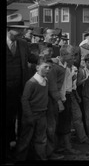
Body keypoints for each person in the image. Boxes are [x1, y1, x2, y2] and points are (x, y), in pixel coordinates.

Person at [6, 13, 36, 162]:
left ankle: (21, 151)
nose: (22, 32)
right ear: (9, 29)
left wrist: (47, 59)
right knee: (7, 121)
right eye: (18, 29)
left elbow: (32, 58)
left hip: (20, 89)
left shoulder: (23, 44)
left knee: (24, 119)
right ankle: (7, 151)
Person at [15, 56, 52, 161]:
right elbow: (25, 100)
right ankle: (20, 159)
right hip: (31, 115)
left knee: (41, 139)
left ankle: (41, 158)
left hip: (42, 114)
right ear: (37, 68)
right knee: (25, 139)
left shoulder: (46, 80)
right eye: (45, 67)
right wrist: (29, 116)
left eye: (50, 67)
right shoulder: (31, 83)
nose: (48, 69)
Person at [53, 45, 81, 155]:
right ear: (63, 55)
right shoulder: (57, 66)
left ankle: (63, 146)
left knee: (66, 122)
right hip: (60, 98)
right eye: (71, 56)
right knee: (61, 123)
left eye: (74, 55)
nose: (74, 58)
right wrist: (60, 100)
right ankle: (64, 147)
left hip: (68, 96)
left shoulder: (69, 66)